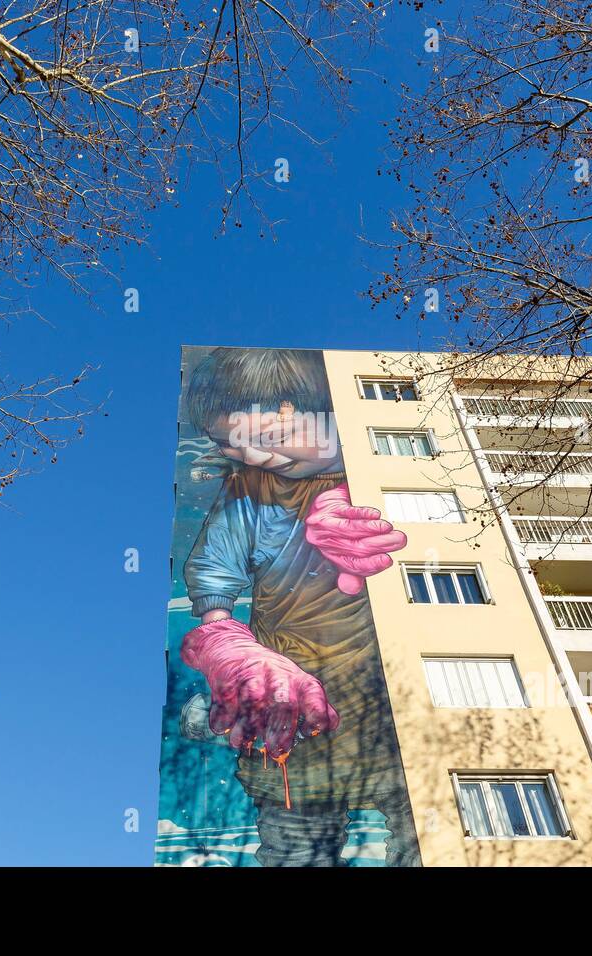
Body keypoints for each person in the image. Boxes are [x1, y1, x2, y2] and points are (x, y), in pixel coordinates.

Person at [180, 348, 422, 866]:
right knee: (294, 853)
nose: (256, 458)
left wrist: (384, 509)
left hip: (401, 723)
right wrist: (228, 647)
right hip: (291, 717)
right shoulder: (247, 490)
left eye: (273, 438)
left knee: (431, 842)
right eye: (231, 444)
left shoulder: (402, 462)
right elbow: (214, 570)